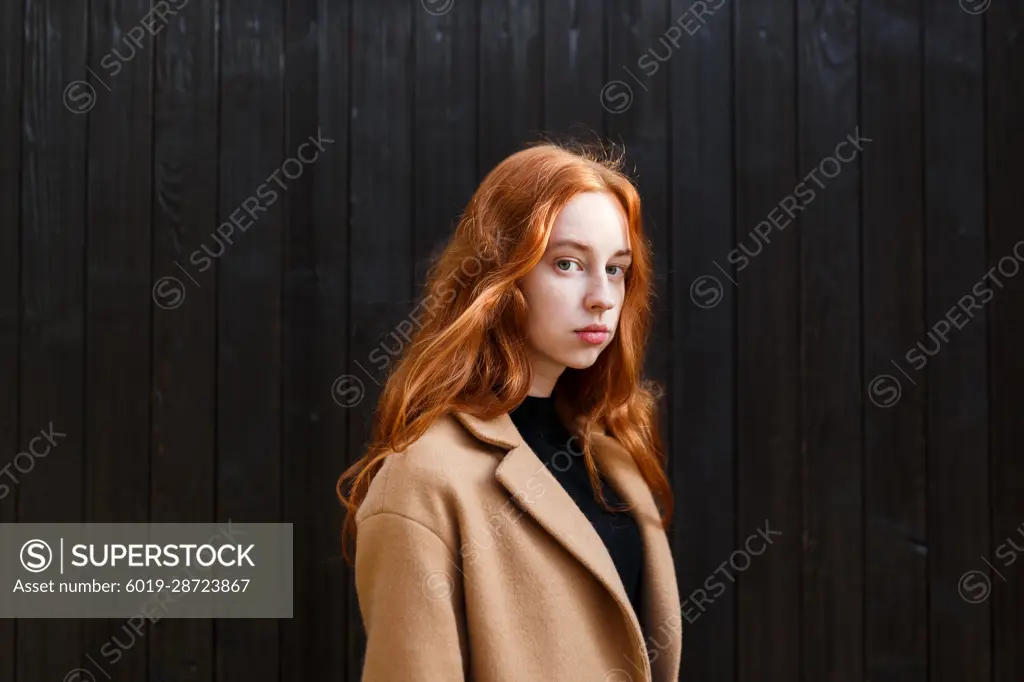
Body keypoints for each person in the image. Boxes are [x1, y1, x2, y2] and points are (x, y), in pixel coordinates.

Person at [336, 141, 682, 682]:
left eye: (616, 269)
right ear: (501, 275)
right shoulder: (423, 482)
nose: (601, 297)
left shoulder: (614, 459)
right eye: (567, 263)